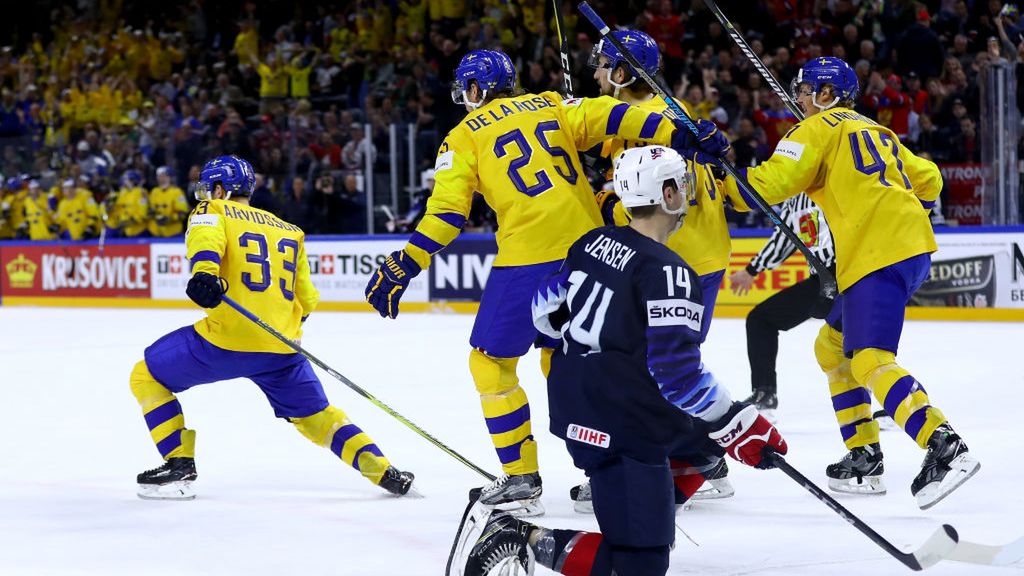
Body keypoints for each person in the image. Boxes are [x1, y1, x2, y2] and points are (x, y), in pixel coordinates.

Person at [364, 49, 724, 515]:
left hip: (530, 257)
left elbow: (447, 214)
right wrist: (685, 132)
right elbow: (620, 114)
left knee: (490, 365)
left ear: (475, 90)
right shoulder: (553, 103)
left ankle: (521, 477)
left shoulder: (461, 136)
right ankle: (618, 467)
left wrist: (405, 264)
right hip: (595, 248)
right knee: (577, 359)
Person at [447, 145, 786, 576]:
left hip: (584, 400)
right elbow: (678, 376)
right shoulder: (670, 272)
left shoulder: (591, 241)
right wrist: (741, 424)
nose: (688, 193)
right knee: (638, 566)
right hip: (621, 425)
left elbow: (544, 310)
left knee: (703, 443)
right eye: (683, 185)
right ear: (667, 194)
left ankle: (648, 512)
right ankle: (517, 536)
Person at [720, 57, 979, 509]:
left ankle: (944, 444)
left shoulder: (814, 131)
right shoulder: (877, 130)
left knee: (871, 359)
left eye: (803, 91)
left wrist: (719, 173)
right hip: (906, 248)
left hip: (877, 254)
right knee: (832, 348)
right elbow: (932, 180)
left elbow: (767, 187)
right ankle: (864, 456)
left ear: (824, 95)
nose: (797, 100)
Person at [130, 154, 413, 500]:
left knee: (146, 375)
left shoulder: (212, 210)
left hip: (226, 341)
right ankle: (384, 471)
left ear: (220, 188)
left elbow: (206, 243)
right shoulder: (290, 231)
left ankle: (179, 462)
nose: (205, 196)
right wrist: (283, 327)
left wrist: (205, 273)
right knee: (318, 417)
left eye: (208, 188)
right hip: (283, 346)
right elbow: (307, 299)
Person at [575, 28, 746, 512]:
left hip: (675, 257)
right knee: (665, 364)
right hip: (703, 254)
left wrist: (594, 204)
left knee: (649, 368)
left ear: (623, 72)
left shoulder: (638, 123)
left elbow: (636, 203)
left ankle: (676, 457)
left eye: (604, 64)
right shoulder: (674, 114)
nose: (597, 73)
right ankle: (696, 455)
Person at [729, 193, 836, 415]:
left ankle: (895, 400)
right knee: (760, 320)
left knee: (859, 342)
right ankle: (764, 393)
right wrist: (752, 270)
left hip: (851, 272)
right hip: (823, 280)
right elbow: (783, 238)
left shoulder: (831, 181)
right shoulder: (794, 199)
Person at [148, 166, 189, 237]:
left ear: (170, 177)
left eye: (164, 176)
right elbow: (152, 210)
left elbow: (183, 213)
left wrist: (170, 218)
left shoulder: (177, 192)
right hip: (157, 233)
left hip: (174, 233)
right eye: (159, 176)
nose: (161, 178)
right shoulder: (154, 191)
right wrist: (152, 214)